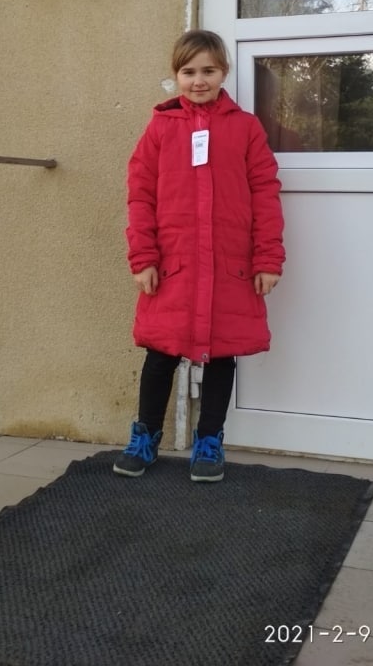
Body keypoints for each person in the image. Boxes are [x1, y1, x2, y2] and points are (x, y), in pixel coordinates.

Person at [113, 29, 285, 482]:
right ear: (176, 76)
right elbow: (140, 195)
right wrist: (143, 257)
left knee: (222, 355)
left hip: (230, 267)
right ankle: (146, 436)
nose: (199, 80)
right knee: (160, 354)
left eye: (208, 70)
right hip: (173, 268)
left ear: (224, 72)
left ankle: (209, 440)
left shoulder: (245, 128)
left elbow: (265, 193)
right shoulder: (160, 128)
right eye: (188, 72)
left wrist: (267, 259)